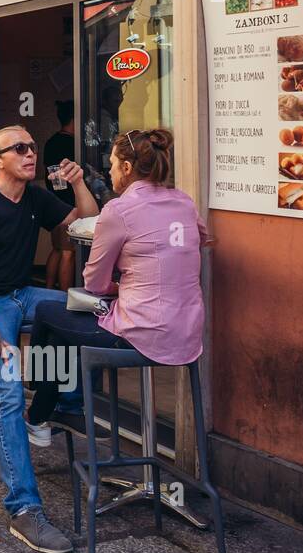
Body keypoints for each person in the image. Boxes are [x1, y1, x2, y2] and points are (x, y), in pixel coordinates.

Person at [0, 125, 99, 553]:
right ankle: (24, 508)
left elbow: (85, 224)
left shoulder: (34, 197)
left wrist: (79, 182)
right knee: (7, 392)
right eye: (20, 149)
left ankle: (52, 403)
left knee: (82, 310)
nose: (31, 154)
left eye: (32, 147)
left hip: (22, 295)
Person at [26, 129, 205, 430]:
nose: (108, 171)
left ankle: (40, 408)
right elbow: (199, 240)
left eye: (111, 163)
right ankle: (55, 409)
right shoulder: (184, 202)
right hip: (187, 333)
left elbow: (94, 284)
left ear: (126, 167)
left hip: (141, 333)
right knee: (64, 323)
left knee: (49, 312)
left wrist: (118, 287)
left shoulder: (118, 209)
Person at [43, 100, 77, 291]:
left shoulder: (51, 142)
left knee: (57, 249)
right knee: (68, 253)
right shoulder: (71, 144)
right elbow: (63, 181)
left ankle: (47, 290)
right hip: (67, 205)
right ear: (75, 119)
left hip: (53, 203)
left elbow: (53, 177)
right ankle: (65, 298)